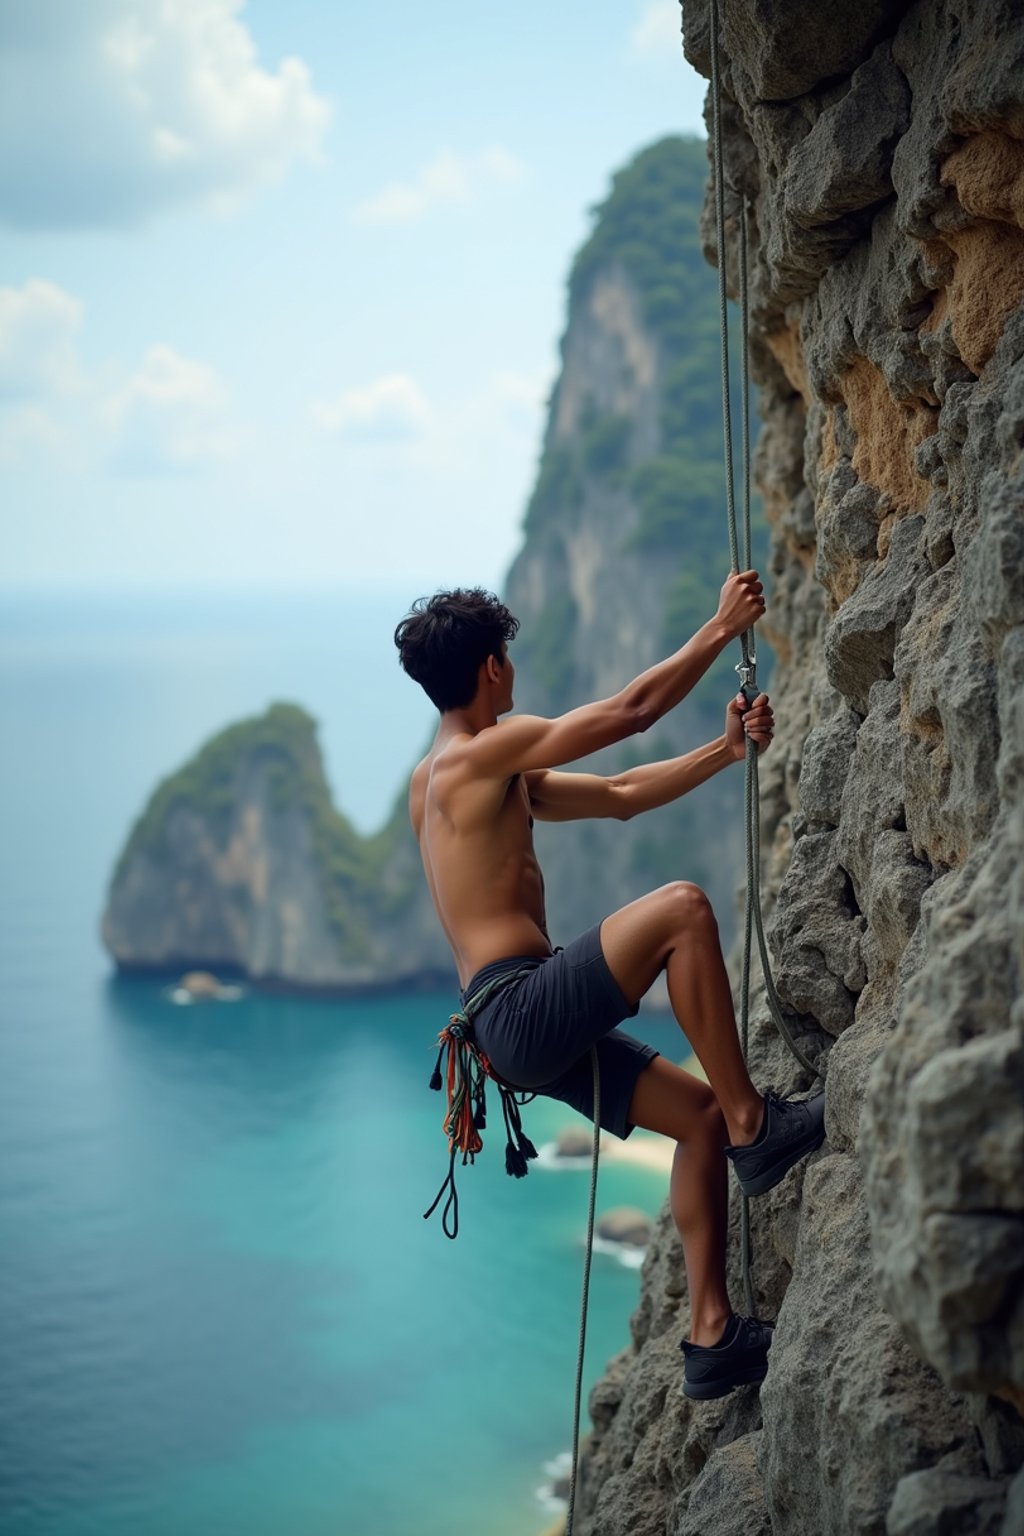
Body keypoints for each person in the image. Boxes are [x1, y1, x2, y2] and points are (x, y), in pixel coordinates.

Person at [394, 572, 826, 1400]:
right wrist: (717, 627)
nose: (512, 667)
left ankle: (712, 1336)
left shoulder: (451, 776)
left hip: (509, 1029)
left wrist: (723, 751)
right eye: (507, 654)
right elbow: (630, 712)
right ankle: (755, 1124)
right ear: (492, 669)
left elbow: (622, 795)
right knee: (684, 912)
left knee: (690, 1120)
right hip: (520, 1004)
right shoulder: (482, 756)